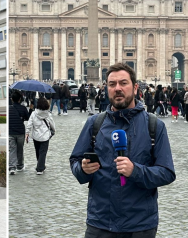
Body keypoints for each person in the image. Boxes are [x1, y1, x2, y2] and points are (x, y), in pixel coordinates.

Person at [69, 63, 175, 237]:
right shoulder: (94, 124)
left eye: (123, 83)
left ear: (134, 88)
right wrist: (83, 169)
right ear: (106, 89)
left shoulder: (154, 125)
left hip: (139, 226)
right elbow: (75, 161)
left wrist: (136, 171)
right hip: (101, 223)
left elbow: (167, 172)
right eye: (112, 84)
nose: (117, 88)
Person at [26, 98, 55, 175]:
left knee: (38, 151)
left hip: (36, 136)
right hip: (45, 136)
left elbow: (29, 124)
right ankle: (40, 168)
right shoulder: (48, 114)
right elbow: (52, 124)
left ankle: (40, 165)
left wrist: (27, 132)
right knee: (43, 152)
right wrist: (53, 131)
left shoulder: (33, 114)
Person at [9, 91, 30, 175]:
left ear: (12, 99)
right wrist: (31, 109)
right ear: (20, 99)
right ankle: (20, 166)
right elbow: (28, 118)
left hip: (10, 132)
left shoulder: (9, 108)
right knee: (20, 149)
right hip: (20, 132)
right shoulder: (23, 108)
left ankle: (12, 167)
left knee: (12, 149)